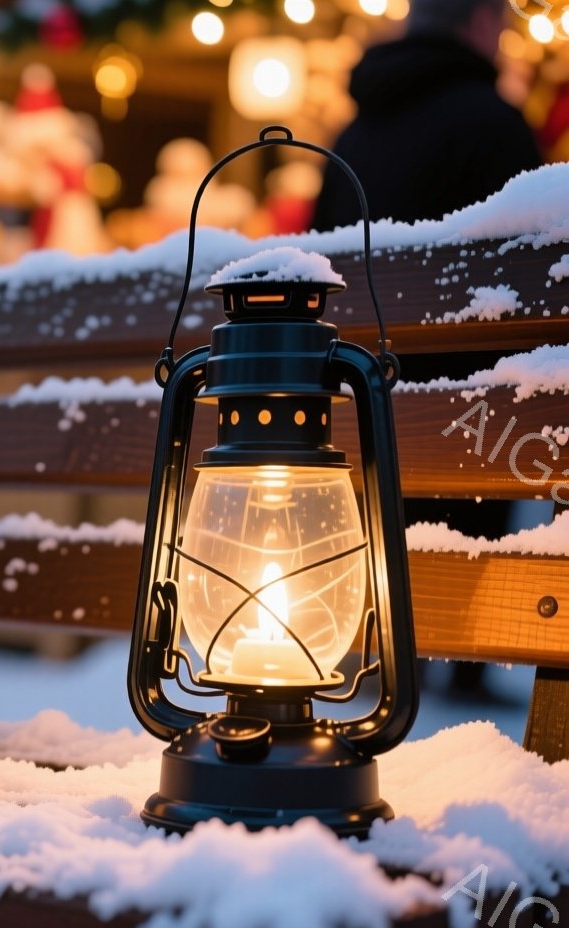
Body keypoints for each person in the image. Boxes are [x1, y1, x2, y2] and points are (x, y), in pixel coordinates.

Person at [312, 0, 543, 700]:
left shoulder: (351, 134)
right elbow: (533, 286)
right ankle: (467, 660)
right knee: (498, 404)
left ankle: (384, 647)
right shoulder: (494, 125)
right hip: (470, 434)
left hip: (360, 418)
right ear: (479, 24)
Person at [311, 0, 541, 229]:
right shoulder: (496, 125)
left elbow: (320, 250)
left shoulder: (350, 139)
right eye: (502, 24)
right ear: (482, 21)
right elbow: (538, 249)